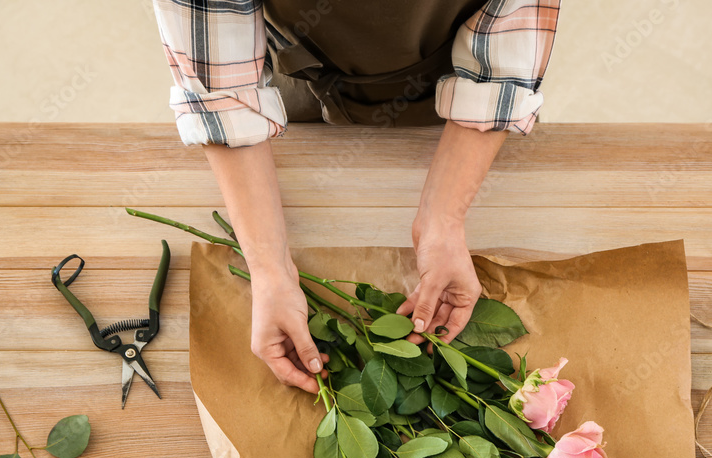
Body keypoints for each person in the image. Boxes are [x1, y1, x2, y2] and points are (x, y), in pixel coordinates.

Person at [151, 0, 560, 393]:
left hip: (454, 94)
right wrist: (270, 271)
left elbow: (507, 49)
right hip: (304, 82)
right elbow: (223, 93)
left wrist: (443, 221)